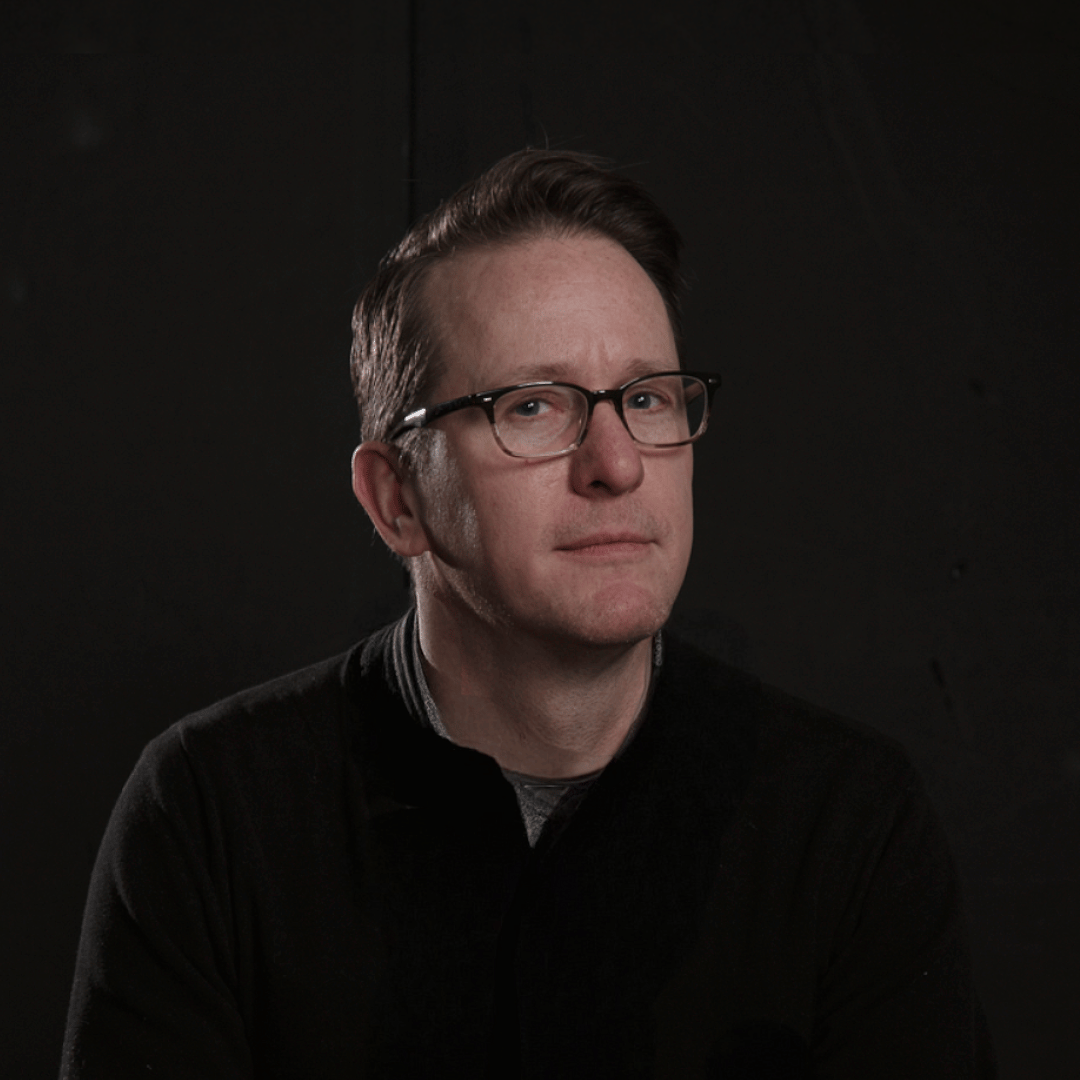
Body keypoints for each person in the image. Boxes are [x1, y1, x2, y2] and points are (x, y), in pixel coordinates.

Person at [61, 150, 995, 1078]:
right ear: (397, 500)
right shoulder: (209, 816)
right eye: (535, 406)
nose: (618, 464)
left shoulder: (847, 826)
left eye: (645, 398)